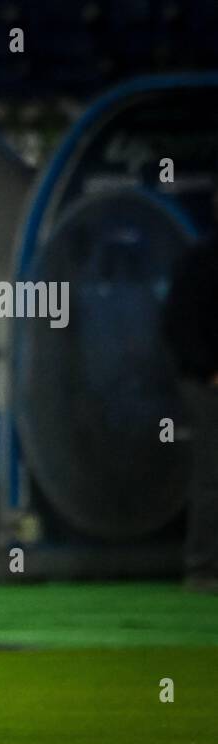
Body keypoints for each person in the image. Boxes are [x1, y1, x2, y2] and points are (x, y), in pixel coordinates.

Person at [162, 188, 218, 593]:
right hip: (206, 383)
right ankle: (202, 570)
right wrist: (208, 371)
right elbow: (178, 324)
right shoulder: (200, 260)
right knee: (212, 477)